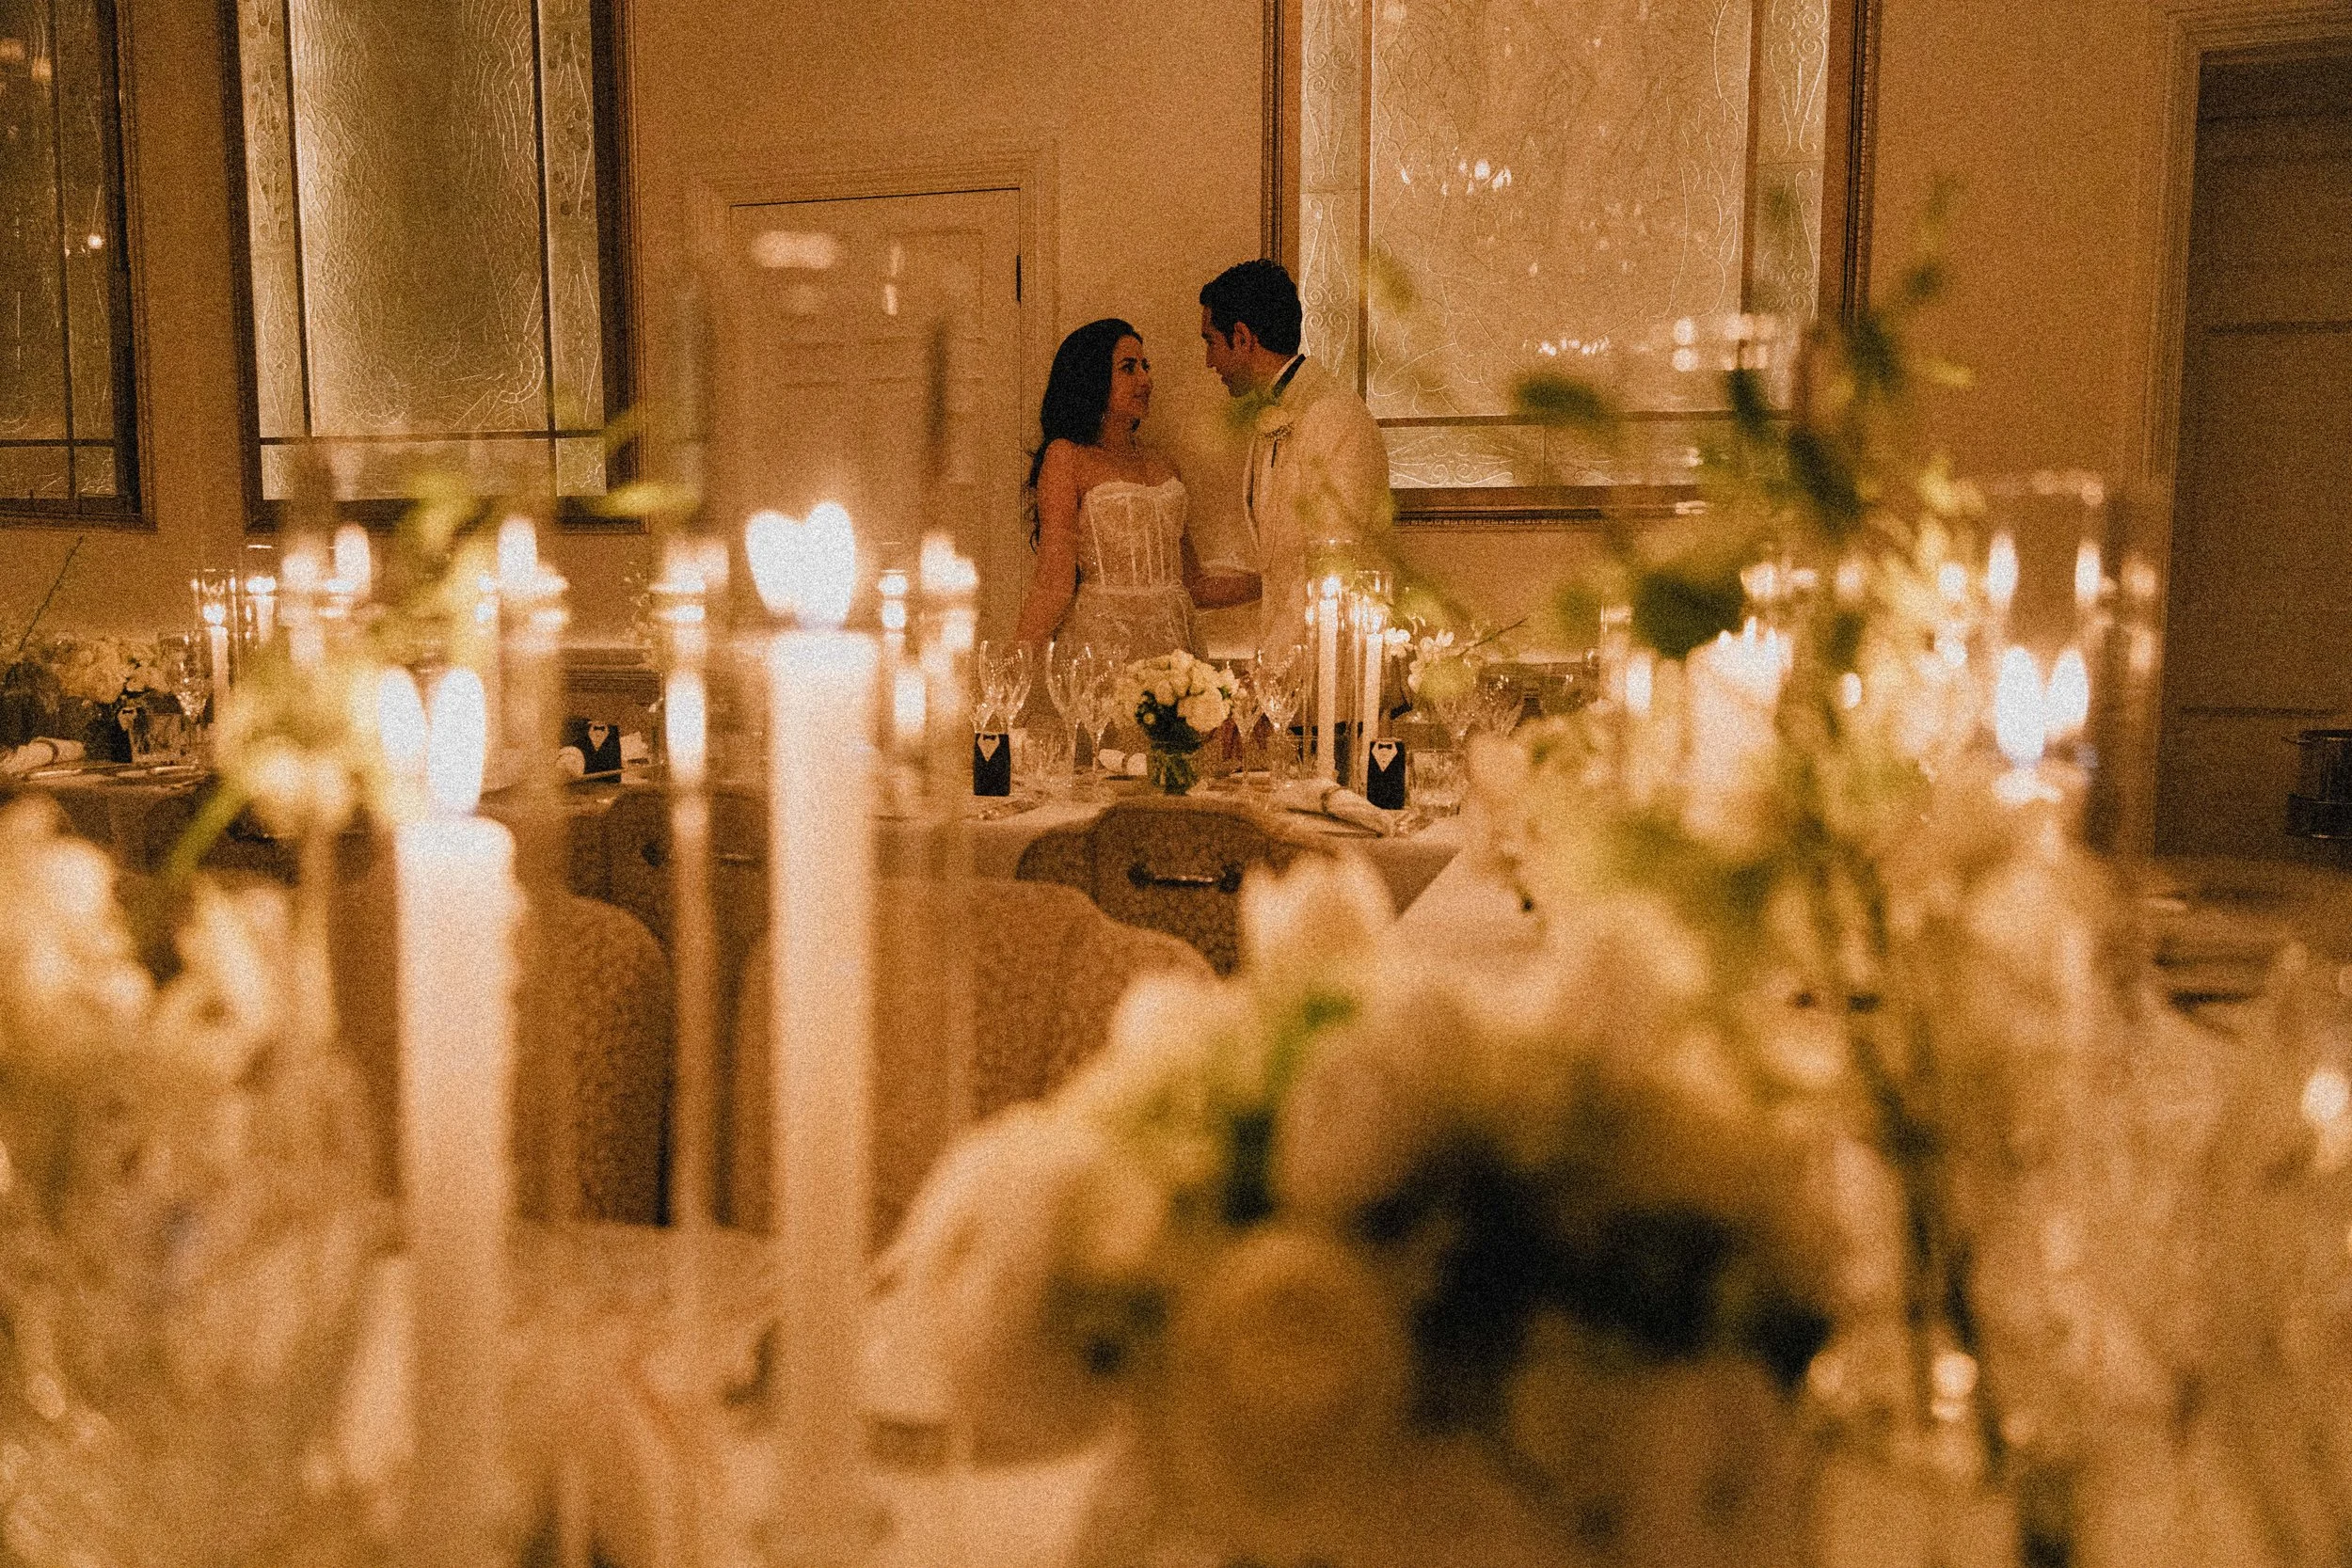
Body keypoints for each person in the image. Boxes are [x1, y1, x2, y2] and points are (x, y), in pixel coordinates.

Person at [1013, 318, 1258, 657]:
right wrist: (1010, 668)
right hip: (1102, 651)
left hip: (1175, 652)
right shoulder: (1067, 457)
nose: (1145, 380)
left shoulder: (1164, 465)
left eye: (1145, 366)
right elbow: (1054, 584)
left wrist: (1272, 579)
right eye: (1128, 368)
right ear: (1091, 378)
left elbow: (1194, 585)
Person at [1198, 260, 1391, 649]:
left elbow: (1337, 562)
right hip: (1284, 659)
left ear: (1242, 337)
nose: (1209, 362)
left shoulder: (1333, 415)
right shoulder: (1274, 412)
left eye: (1210, 341)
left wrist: (1282, 667)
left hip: (1335, 666)